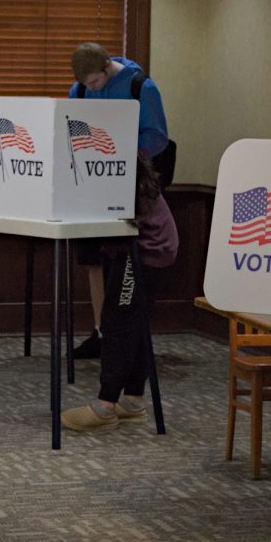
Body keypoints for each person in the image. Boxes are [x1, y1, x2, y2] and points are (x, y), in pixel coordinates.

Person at [67, 42, 170, 361]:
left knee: (120, 259)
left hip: (129, 185)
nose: (90, 90)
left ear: (107, 67)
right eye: (85, 85)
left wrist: (119, 148)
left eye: (95, 83)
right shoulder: (81, 89)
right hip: (90, 184)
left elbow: (158, 138)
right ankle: (101, 331)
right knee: (93, 258)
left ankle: (122, 332)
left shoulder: (141, 86)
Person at [60, 155, 177, 432]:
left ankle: (105, 406)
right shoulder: (124, 164)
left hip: (144, 250)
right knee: (134, 324)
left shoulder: (114, 173)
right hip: (152, 247)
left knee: (118, 323)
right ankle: (133, 401)